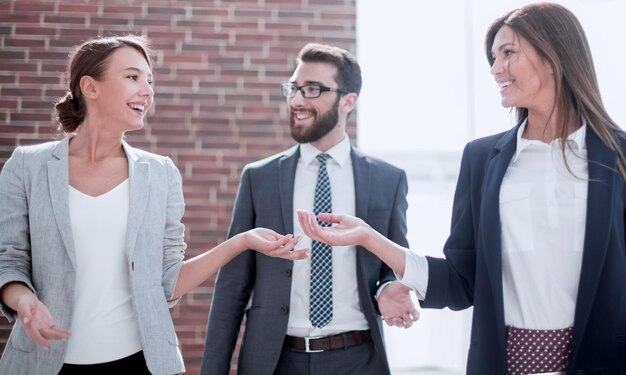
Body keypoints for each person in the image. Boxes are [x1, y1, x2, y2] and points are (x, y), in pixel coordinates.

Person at [297, 3, 626, 375]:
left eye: (508, 53)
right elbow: (461, 281)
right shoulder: (483, 159)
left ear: (552, 56)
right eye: (492, 57)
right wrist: (371, 239)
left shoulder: (619, 157)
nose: (495, 68)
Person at [0, 35, 308, 375]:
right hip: (43, 363)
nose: (147, 91)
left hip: (142, 362)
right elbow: (8, 259)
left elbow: (166, 282)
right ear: (90, 86)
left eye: (150, 81)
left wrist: (243, 241)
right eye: (133, 77)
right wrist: (24, 300)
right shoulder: (27, 166)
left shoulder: (161, 174)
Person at [200, 43, 418, 375]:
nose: (297, 100)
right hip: (274, 361)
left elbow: (394, 261)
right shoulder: (260, 178)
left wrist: (389, 288)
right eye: (294, 89)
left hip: (359, 359)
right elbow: (232, 286)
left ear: (348, 100)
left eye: (312, 90)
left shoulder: (388, 180)